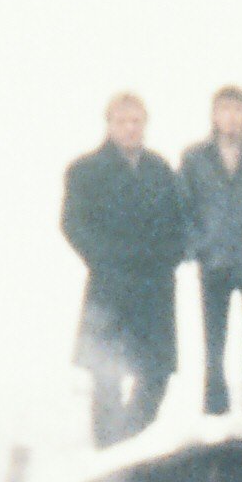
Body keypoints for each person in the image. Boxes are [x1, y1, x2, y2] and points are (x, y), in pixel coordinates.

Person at [63, 93, 190, 446]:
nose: (131, 128)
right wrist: (107, 260)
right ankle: (108, 456)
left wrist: (168, 257)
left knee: (156, 373)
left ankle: (133, 443)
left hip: (155, 287)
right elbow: (73, 224)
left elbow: (179, 224)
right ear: (109, 125)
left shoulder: (160, 169)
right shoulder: (85, 170)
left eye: (137, 121)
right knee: (106, 376)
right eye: (123, 121)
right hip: (110, 286)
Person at [182, 85, 242, 415]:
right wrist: (200, 247)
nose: (232, 118)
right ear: (213, 115)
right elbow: (184, 208)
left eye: (239, 110)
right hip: (215, 264)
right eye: (225, 110)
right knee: (214, 347)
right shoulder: (195, 158)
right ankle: (215, 413)